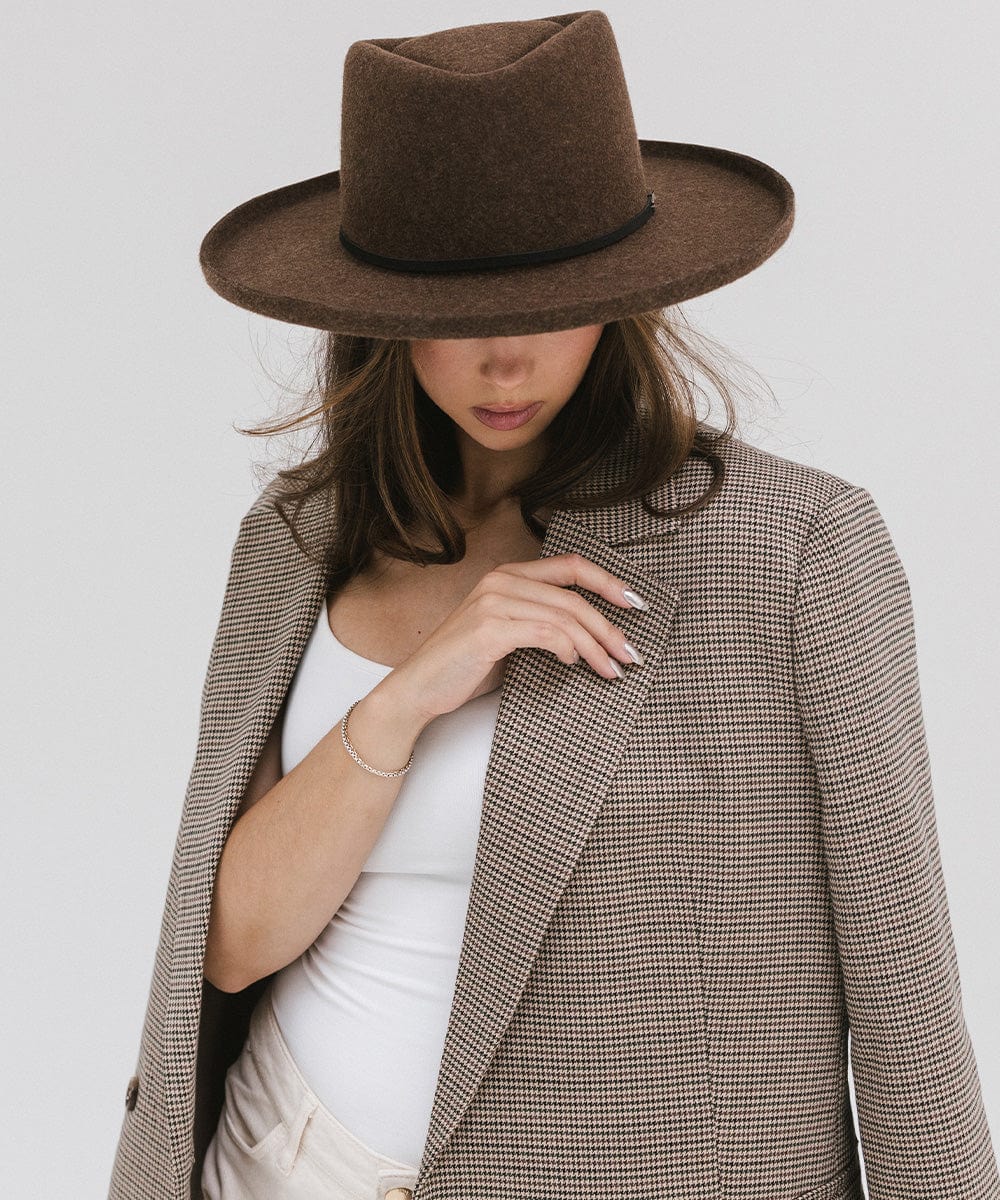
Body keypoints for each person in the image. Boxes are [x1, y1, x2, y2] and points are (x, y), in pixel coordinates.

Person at [108, 11, 1000, 1200]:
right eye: (458, 316)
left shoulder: (788, 550)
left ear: (622, 295)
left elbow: (903, 978)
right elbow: (231, 948)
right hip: (279, 1161)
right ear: (382, 311)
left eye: (550, 301)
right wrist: (406, 698)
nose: (507, 362)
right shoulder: (299, 536)